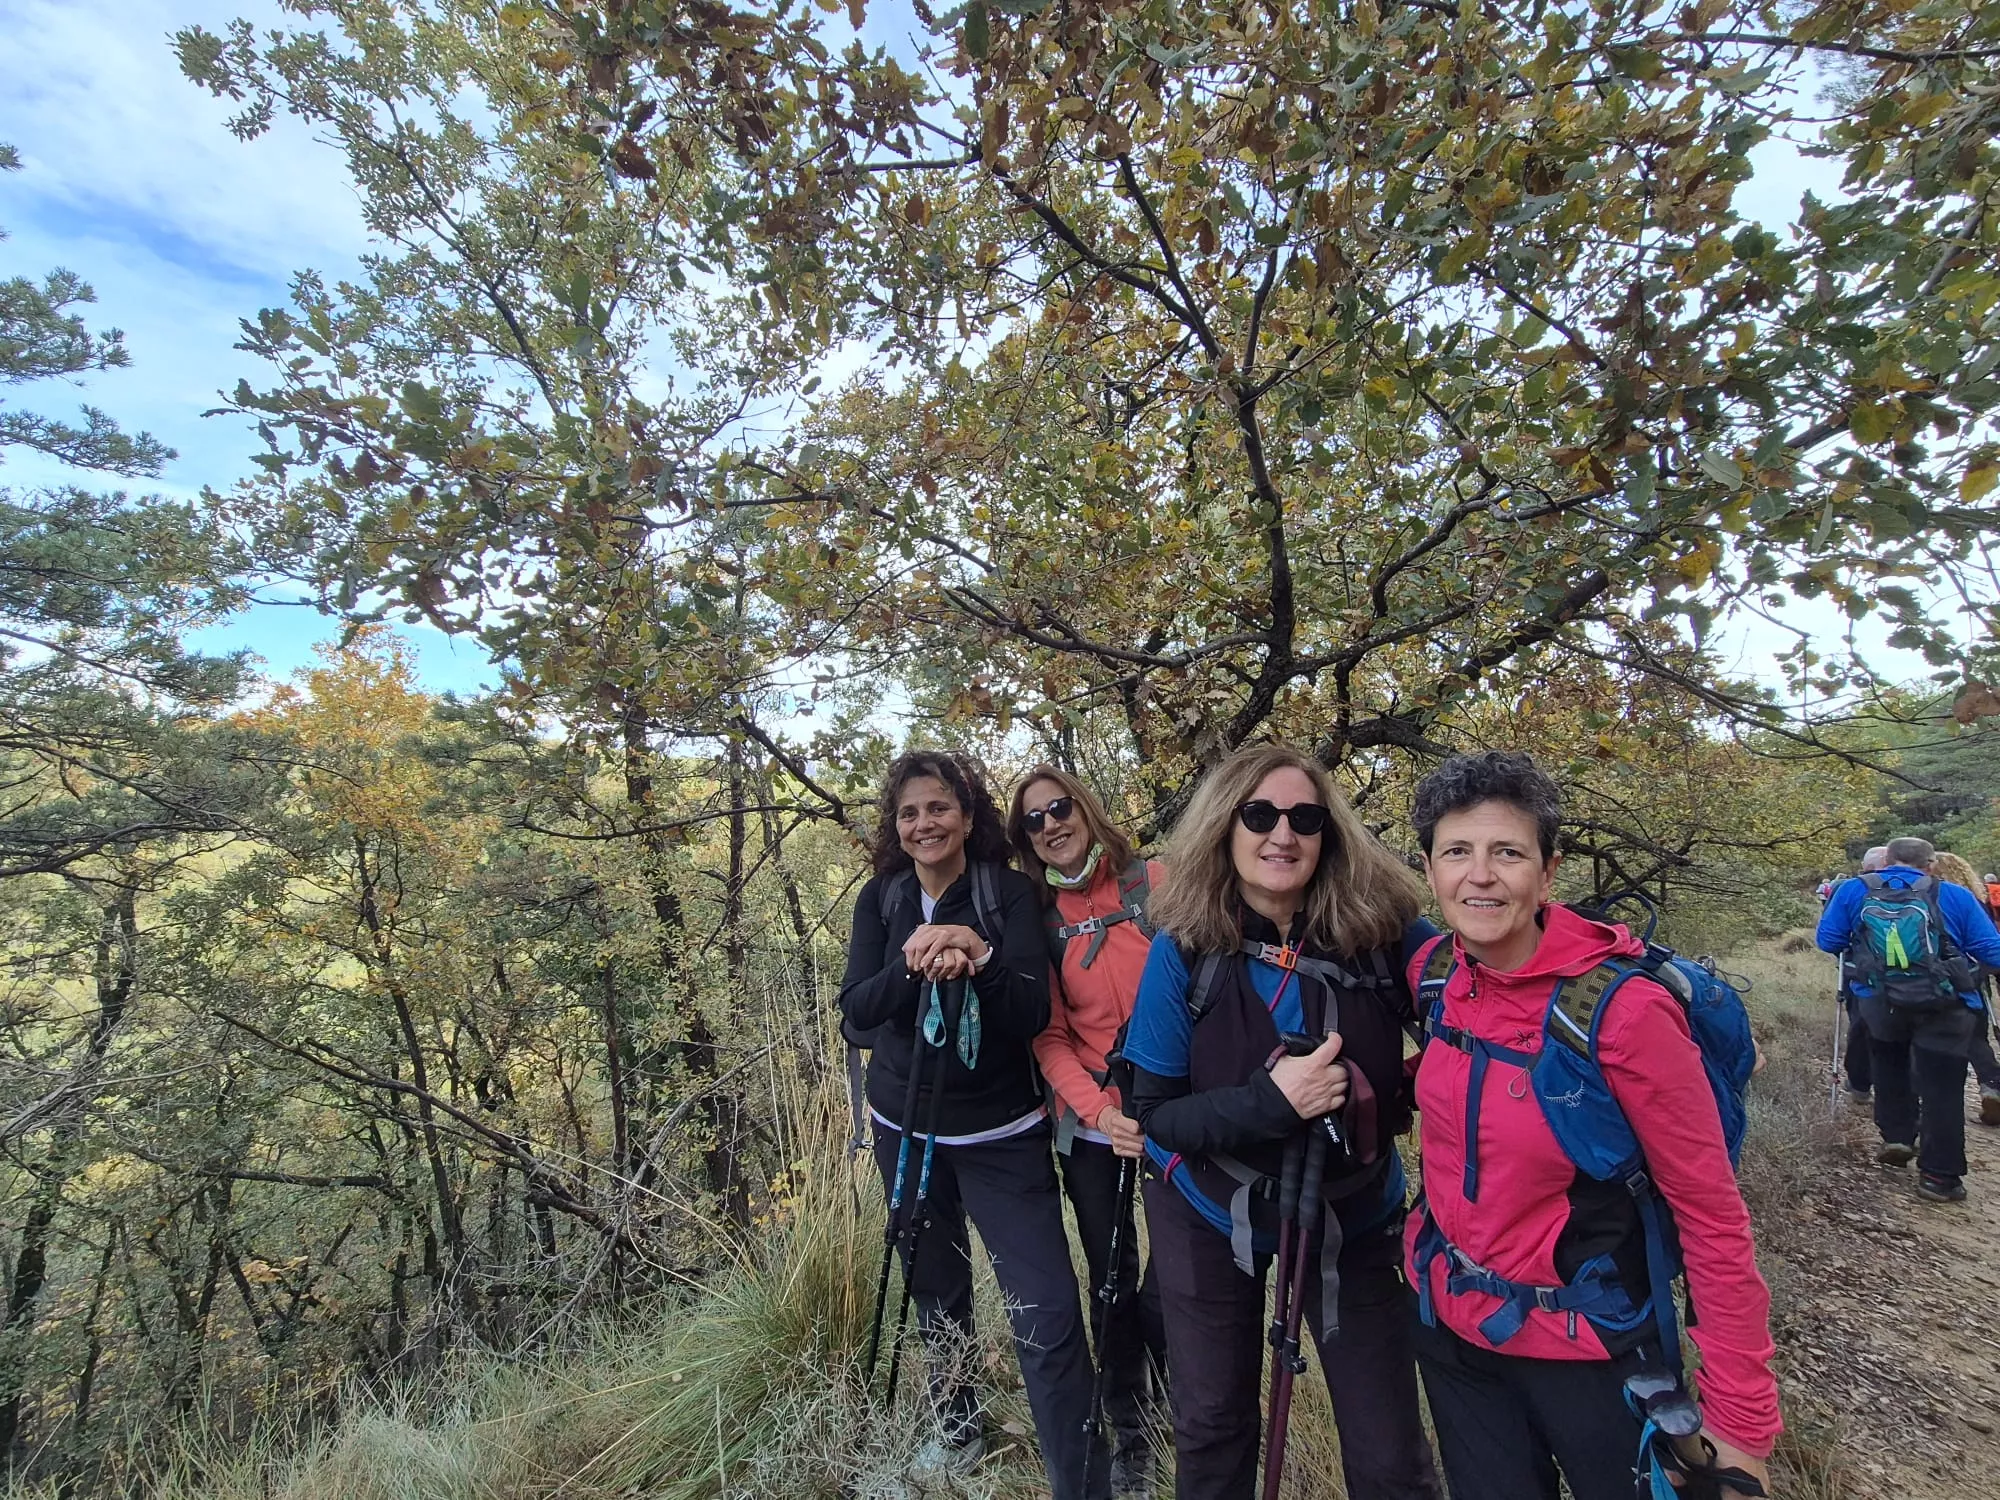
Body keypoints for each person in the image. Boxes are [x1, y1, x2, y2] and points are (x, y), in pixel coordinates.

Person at [1405, 751, 1779, 1500]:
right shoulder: (1438, 974)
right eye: (1458, 852)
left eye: (1507, 852)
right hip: (1454, 1337)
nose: (1480, 875)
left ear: (1548, 874)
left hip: (1593, 1351)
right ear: (1431, 869)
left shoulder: (1624, 1013)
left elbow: (1710, 1213)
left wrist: (1741, 1426)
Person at [1122, 743, 1441, 1500]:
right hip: (1208, 1208)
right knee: (1213, 1423)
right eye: (1259, 815)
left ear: (1330, 833)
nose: (1282, 835)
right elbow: (1157, 1115)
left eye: (1305, 818)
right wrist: (1276, 1102)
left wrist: (1663, 998)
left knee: (1390, 1448)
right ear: (1224, 828)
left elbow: (1490, 1008)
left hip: (1352, 1212)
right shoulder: (1184, 949)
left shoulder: (1386, 933)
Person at [839, 751, 1108, 1498]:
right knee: (937, 1291)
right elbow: (857, 1016)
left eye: (939, 808)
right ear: (897, 827)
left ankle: (1079, 1478)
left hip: (1002, 1136)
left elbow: (1028, 1012)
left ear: (965, 814)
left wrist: (977, 955)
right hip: (906, 1128)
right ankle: (958, 1429)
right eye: (910, 813)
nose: (925, 823)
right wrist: (915, 963)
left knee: (1046, 1310)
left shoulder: (1009, 896)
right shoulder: (883, 900)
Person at [1008, 765, 1170, 1498]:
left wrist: (1162, 1096)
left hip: (1174, 1107)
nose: (1050, 825)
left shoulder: (1156, 884)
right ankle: (1130, 1426)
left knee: (1178, 1276)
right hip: (1093, 1122)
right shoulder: (1037, 917)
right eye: (1033, 821)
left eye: (1059, 808)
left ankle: (1178, 1393)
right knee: (1110, 1279)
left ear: (1085, 807)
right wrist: (1100, 1110)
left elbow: (1204, 987)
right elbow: (1048, 1035)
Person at [1818, 835, 2000, 1200]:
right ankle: (1939, 1177)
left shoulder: (1854, 891)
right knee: (1942, 1088)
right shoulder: (1954, 895)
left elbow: (1828, 941)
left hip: (1879, 1000)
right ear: (1930, 864)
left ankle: (1898, 1137)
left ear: (1886, 861)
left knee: (1889, 1066)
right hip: (1945, 1006)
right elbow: (1990, 950)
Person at [1926, 851, 2000, 1126]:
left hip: (1925, 977)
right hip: (1970, 976)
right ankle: (1991, 1085)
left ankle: (1932, 1104)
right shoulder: (1973, 899)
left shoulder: (1923, 897)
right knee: (1975, 1034)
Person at [1835, 846, 1889, 1103]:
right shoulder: (1925, 887)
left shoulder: (1852, 888)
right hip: (1919, 978)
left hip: (1863, 975)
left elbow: (1829, 938)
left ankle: (1859, 1084)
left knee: (1861, 1024)